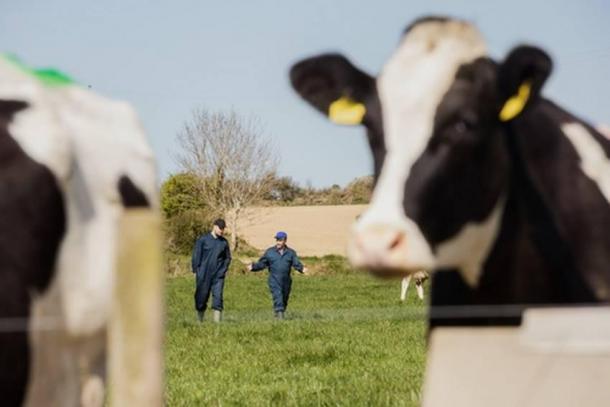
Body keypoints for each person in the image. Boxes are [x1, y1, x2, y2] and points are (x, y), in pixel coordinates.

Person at [247, 231, 307, 319]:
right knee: (278, 296)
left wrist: (302, 269)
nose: (278, 242)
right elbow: (262, 263)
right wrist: (253, 267)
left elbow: (296, 263)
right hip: (274, 280)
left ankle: (278, 314)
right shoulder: (270, 252)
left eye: (280, 240)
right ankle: (280, 318)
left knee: (284, 299)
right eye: (277, 240)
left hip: (286, 281)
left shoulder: (291, 253)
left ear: (285, 241)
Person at [191, 218, 232, 323]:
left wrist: (223, 270)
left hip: (218, 276)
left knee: (218, 298)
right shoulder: (203, 240)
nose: (221, 231)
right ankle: (200, 321)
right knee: (201, 298)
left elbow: (228, 258)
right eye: (220, 228)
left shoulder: (224, 242)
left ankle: (217, 324)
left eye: (223, 229)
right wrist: (195, 270)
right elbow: (196, 255)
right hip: (203, 274)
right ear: (214, 226)